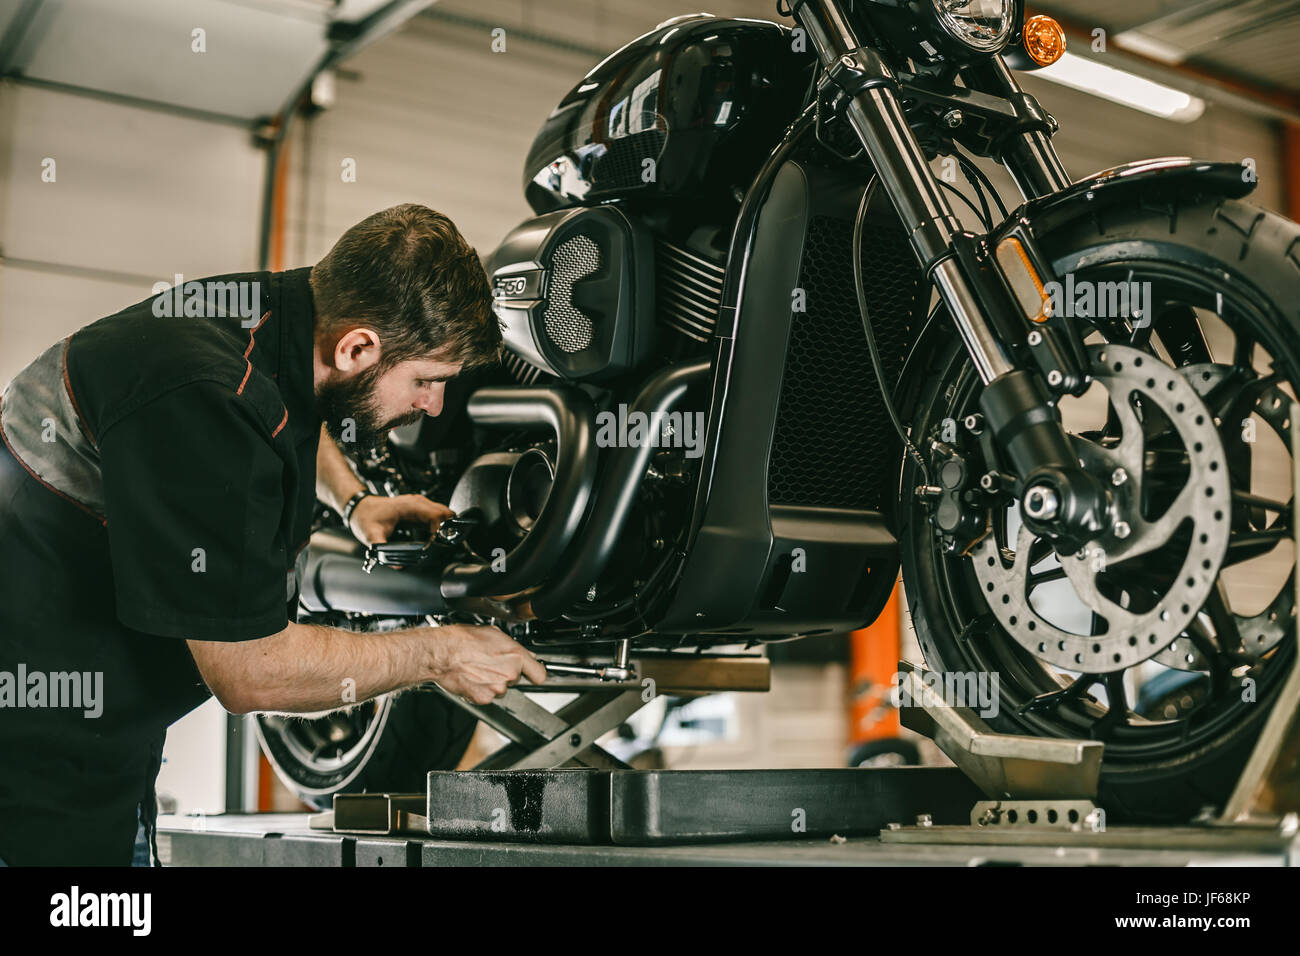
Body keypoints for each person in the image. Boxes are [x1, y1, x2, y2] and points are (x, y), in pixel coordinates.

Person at [0, 203, 545, 866]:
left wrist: (354, 503)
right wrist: (443, 653)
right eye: (426, 380)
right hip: (36, 760)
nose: (430, 405)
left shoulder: (283, 312)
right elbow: (250, 671)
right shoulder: (206, 395)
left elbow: (289, 403)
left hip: (99, 729)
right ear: (357, 347)